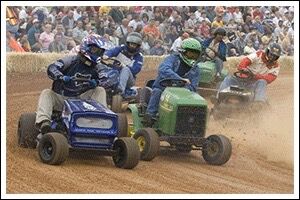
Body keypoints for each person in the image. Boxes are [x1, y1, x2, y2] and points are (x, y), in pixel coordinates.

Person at [35, 34, 110, 134]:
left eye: (100, 51)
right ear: (86, 47)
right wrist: (60, 77)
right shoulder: (71, 60)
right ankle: (44, 122)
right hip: (63, 98)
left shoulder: (97, 66)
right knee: (46, 93)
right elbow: (52, 68)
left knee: (100, 90)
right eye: (95, 50)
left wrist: (97, 82)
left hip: (83, 100)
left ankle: (101, 120)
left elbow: (107, 78)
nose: (98, 53)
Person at [143, 37, 202, 126]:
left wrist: (187, 88)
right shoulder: (173, 59)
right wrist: (179, 79)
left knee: (196, 100)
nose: (193, 57)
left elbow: (193, 87)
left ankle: (192, 124)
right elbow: (164, 69)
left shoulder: (195, 69)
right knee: (157, 92)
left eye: (195, 55)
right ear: (183, 51)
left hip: (182, 94)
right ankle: (150, 117)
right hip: (163, 88)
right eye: (190, 54)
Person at [217, 42, 282, 109]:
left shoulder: (276, 66)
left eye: (274, 56)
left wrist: (255, 76)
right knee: (228, 79)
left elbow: (269, 79)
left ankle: (258, 103)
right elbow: (244, 61)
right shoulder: (258, 55)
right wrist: (243, 69)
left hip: (254, 84)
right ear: (267, 51)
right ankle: (218, 98)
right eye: (271, 54)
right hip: (241, 79)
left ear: (277, 57)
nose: (272, 57)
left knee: (262, 82)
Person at [102, 32, 143, 98]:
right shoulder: (121, 48)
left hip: (129, 79)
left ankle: (120, 91)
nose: (132, 46)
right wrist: (106, 55)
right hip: (115, 74)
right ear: (128, 43)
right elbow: (112, 51)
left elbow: (136, 69)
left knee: (125, 69)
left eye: (134, 45)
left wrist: (124, 66)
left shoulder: (139, 57)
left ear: (137, 46)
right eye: (131, 44)